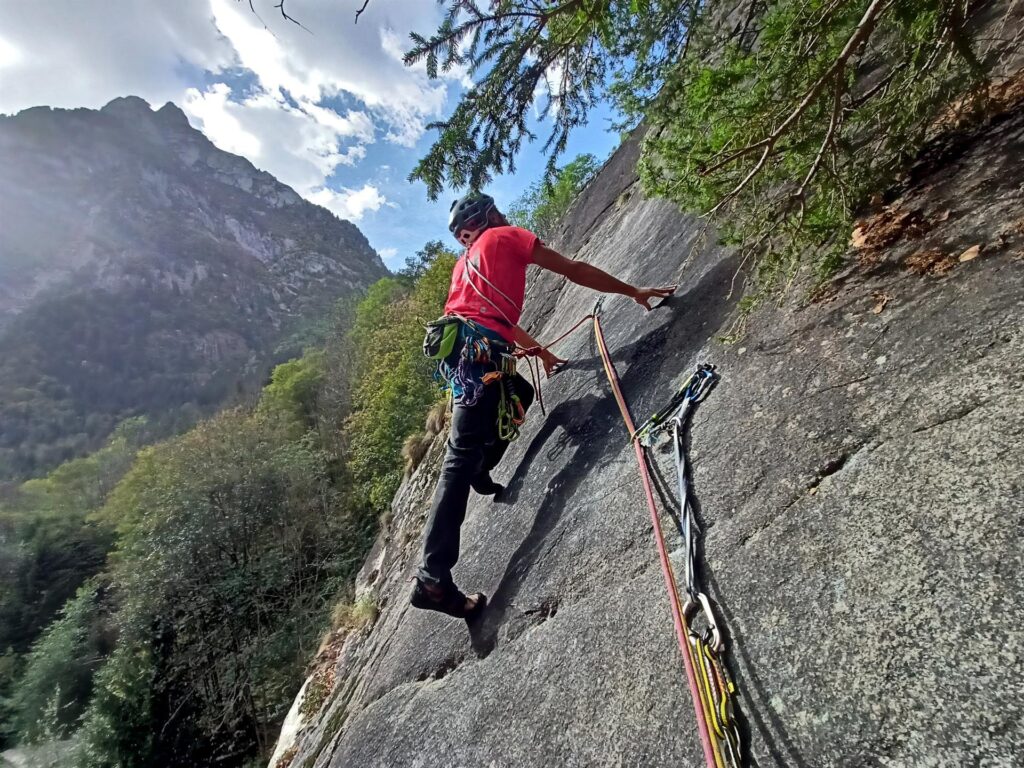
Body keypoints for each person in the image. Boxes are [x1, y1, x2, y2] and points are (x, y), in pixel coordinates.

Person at [411, 191, 676, 620]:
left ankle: (483, 466)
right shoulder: (505, 237)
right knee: (458, 459)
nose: (502, 214)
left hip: (468, 354)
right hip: (481, 353)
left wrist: (544, 353)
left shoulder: (465, 266)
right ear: (488, 216)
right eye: (496, 211)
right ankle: (433, 578)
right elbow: (572, 270)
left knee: (520, 393)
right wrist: (632, 291)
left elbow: (497, 319)